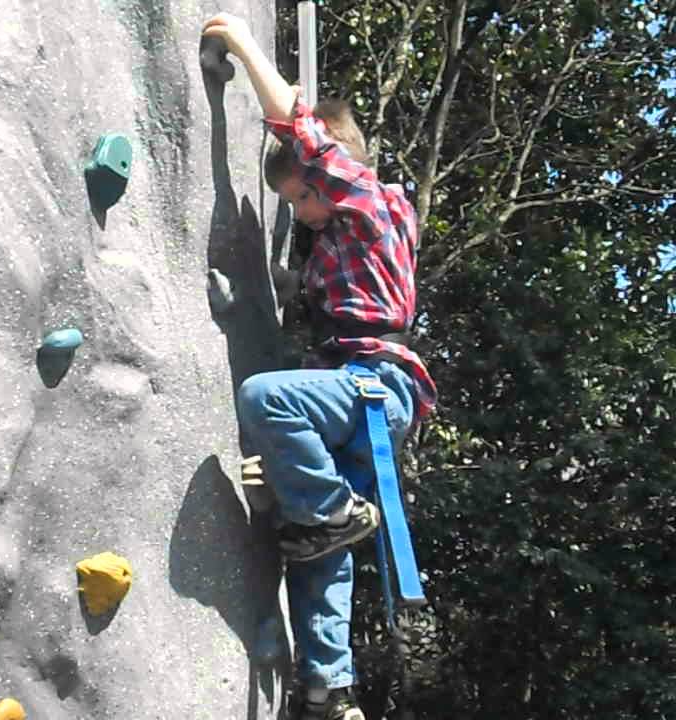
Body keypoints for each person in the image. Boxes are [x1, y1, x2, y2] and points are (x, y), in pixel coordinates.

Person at [201, 13, 437, 720]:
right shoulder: (354, 225)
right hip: (358, 396)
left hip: (374, 386)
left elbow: (298, 130)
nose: (299, 212)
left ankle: (332, 509)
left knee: (268, 398)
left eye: (302, 196)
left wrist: (241, 43)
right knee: (316, 545)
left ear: (335, 167)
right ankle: (329, 689)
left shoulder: (366, 200)